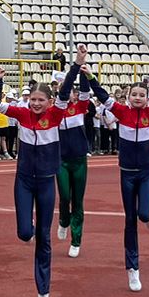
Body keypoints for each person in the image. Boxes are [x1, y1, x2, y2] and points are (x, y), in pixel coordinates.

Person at [0, 60, 81, 297]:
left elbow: (65, 91)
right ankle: (27, 231)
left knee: (43, 237)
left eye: (41, 100)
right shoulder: (20, 113)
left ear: (50, 102)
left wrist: (76, 66)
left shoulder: (56, 114)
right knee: (25, 233)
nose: (36, 103)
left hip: (46, 182)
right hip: (24, 181)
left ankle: (43, 292)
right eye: (34, 100)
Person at [84, 54, 149, 292]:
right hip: (126, 173)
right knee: (130, 220)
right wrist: (91, 76)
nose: (137, 98)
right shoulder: (122, 112)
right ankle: (132, 269)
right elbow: (102, 96)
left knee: (143, 214)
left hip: (145, 172)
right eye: (134, 94)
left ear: (147, 98)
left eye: (141, 95)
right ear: (128, 96)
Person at [54, 46, 95, 259]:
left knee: (78, 201)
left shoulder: (80, 107)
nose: (66, 92)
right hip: (61, 160)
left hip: (79, 160)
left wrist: (84, 72)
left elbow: (86, 92)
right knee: (65, 196)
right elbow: (63, 90)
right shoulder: (55, 109)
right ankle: (63, 220)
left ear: (74, 92)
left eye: (69, 89)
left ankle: (76, 239)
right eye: (62, 90)